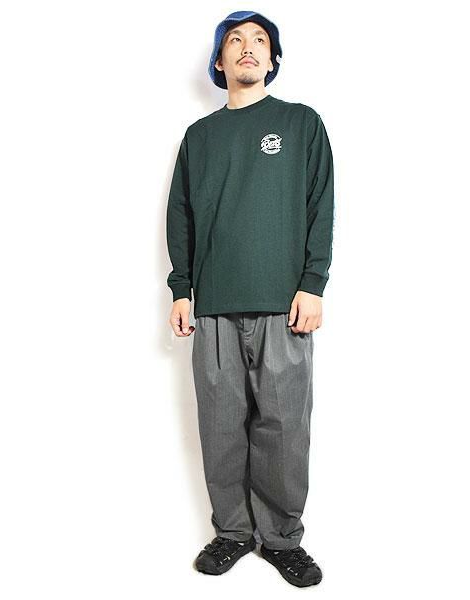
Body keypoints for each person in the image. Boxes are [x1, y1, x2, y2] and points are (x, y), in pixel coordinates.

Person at [165, 10, 334, 588]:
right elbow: (181, 217)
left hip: (283, 306)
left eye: (260, 40)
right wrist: (181, 289)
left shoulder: (300, 124)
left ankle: (282, 538)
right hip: (213, 304)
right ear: (218, 60)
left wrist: (313, 284)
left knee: (283, 428)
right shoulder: (200, 138)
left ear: (272, 59)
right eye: (235, 40)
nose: (248, 48)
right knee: (220, 428)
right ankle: (234, 532)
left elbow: (321, 205)